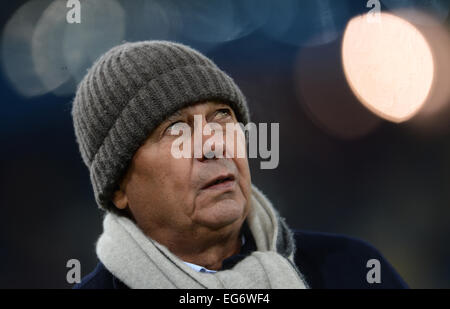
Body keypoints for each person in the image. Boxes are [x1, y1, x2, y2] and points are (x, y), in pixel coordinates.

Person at [71, 40, 408, 289]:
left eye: (222, 117)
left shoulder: (353, 270)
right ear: (118, 188)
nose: (214, 144)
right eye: (175, 129)